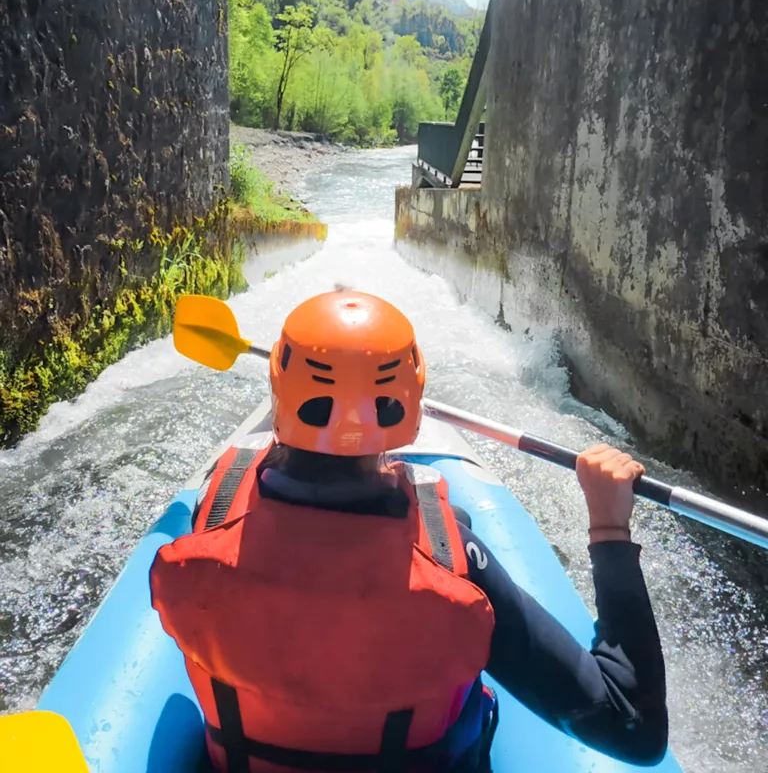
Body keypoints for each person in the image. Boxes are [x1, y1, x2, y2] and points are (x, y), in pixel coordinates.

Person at [150, 290, 668, 772]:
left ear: (281, 394)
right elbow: (635, 730)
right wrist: (609, 528)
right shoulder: (456, 570)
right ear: (408, 406)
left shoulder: (208, 526)